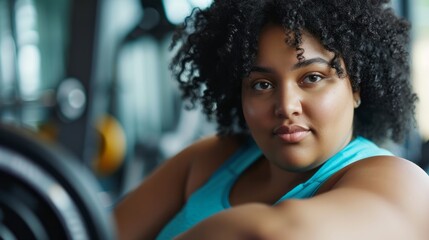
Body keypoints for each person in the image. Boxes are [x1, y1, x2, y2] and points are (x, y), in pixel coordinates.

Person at [113, 0, 429, 239]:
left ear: (356, 87)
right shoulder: (209, 160)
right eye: (262, 85)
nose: (286, 106)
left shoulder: (403, 183)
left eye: (312, 77)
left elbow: (271, 234)